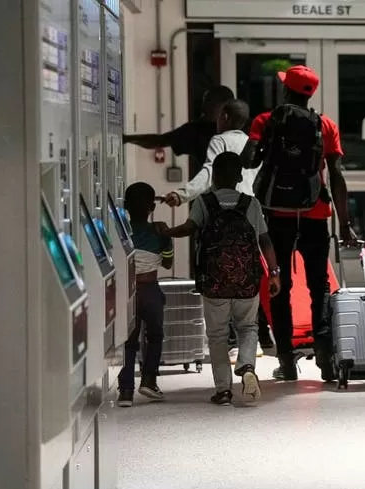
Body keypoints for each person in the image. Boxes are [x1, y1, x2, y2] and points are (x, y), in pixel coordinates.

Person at [241, 65, 358, 383]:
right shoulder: (325, 125)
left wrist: (262, 144)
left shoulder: (266, 120)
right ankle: (325, 356)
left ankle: (287, 361)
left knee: (279, 285)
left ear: (285, 90)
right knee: (319, 285)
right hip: (315, 213)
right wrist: (345, 223)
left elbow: (248, 161)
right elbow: (336, 175)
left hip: (276, 213)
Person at [158, 152, 281, 405]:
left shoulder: (204, 202)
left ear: (213, 176)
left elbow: (189, 229)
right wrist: (274, 273)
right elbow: (265, 241)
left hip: (214, 281)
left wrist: (167, 231)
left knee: (217, 336)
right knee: (248, 328)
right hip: (247, 281)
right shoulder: (251, 204)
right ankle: (247, 367)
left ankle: (223, 391)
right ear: (239, 177)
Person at [162, 98, 275, 351]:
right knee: (249, 272)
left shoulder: (220, 141)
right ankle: (260, 333)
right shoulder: (253, 143)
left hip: (223, 215)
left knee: (223, 274)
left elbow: (208, 174)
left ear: (224, 116)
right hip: (251, 212)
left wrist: (182, 194)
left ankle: (231, 339)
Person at [117, 182, 173, 407]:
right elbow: (168, 263)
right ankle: (149, 380)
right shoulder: (160, 232)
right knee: (155, 336)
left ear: (125, 206)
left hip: (127, 291)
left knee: (128, 341)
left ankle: (125, 391)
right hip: (150, 289)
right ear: (152, 207)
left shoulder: (120, 232)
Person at [123, 86, 235, 181]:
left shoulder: (240, 129)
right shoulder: (196, 130)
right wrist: (126, 139)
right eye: (204, 102)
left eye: (210, 103)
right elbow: (159, 141)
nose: (204, 108)